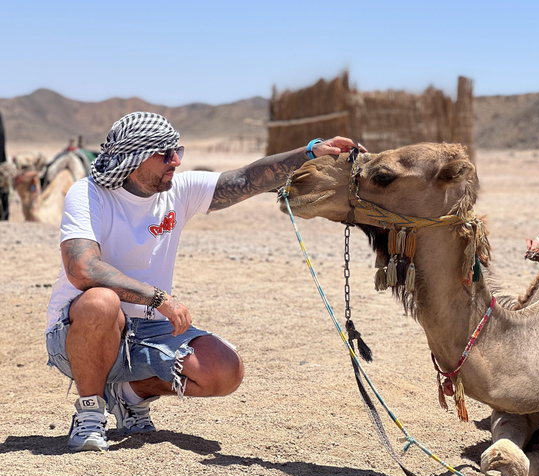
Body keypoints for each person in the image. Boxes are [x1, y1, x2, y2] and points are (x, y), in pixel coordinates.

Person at [45, 111, 362, 452]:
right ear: (134, 157)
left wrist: (310, 152)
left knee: (225, 371)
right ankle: (91, 413)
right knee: (101, 301)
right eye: (166, 154)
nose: (177, 161)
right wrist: (158, 298)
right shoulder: (89, 194)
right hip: (78, 334)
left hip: (148, 332)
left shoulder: (178, 191)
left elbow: (247, 178)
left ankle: (130, 394)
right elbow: (83, 269)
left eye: (177, 150)